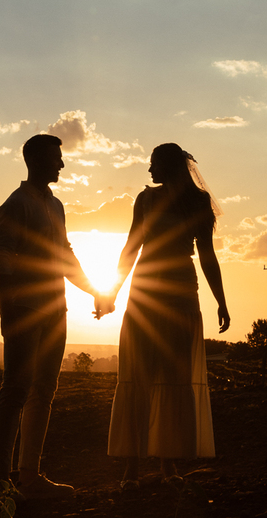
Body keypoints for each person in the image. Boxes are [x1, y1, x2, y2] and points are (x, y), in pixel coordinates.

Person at [0, 134, 112, 498]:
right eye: (56, 158)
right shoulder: (15, 205)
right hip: (25, 311)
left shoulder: (56, 206)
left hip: (57, 310)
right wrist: (7, 309)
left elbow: (65, 256)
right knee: (15, 390)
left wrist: (95, 290)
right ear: (36, 161)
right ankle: (0, 483)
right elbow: (0, 259)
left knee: (43, 391)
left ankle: (29, 477)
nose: (61, 164)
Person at [104, 143, 231, 488]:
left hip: (181, 293)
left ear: (170, 166)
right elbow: (131, 247)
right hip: (145, 293)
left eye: (154, 164)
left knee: (174, 377)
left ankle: (168, 464)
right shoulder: (145, 200)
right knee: (139, 375)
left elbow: (207, 254)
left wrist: (221, 300)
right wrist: (111, 291)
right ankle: (131, 468)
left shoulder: (199, 202)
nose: (149, 171)